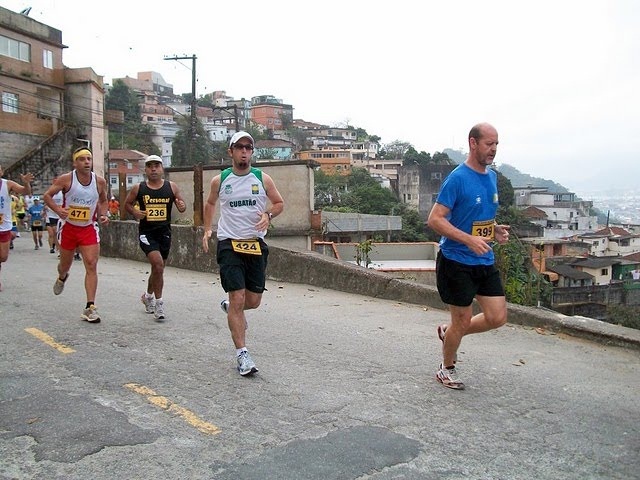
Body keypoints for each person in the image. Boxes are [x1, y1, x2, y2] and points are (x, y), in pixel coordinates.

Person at [427, 122, 511, 390]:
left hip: (483, 259)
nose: (493, 149)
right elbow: (435, 220)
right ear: (473, 143)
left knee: (497, 317)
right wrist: (468, 239)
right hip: (456, 261)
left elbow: (479, 215)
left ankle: (449, 332)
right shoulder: (458, 178)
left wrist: (493, 230)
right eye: (489, 144)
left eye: (496, 144)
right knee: (461, 320)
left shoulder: (492, 177)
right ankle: (446, 368)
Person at [202, 131, 284, 376]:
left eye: (249, 147)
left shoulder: (262, 178)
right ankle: (242, 355)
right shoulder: (220, 180)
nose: (244, 151)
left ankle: (231, 308)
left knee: (253, 302)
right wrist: (207, 229)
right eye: (240, 147)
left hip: (255, 244)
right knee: (238, 298)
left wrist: (268, 215)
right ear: (231, 151)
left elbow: (279, 203)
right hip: (229, 244)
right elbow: (210, 204)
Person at [43, 147, 110, 323]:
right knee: (64, 265)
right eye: (82, 159)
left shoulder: (99, 181)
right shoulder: (66, 179)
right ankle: (63, 276)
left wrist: (103, 214)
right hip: (69, 228)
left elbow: (103, 201)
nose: (87, 162)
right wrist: (58, 210)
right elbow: (47, 195)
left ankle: (90, 307)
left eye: (89, 159)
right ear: (75, 163)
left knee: (91, 264)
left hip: (88, 228)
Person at [124, 155, 186, 321]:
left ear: (162, 168)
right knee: (157, 265)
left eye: (156, 165)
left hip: (164, 233)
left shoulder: (171, 187)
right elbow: (127, 204)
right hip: (147, 233)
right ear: (145, 170)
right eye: (150, 166)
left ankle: (147, 296)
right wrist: (135, 212)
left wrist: (181, 205)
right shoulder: (139, 188)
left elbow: (182, 204)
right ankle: (159, 303)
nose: (153, 169)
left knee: (158, 269)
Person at [0, 165, 34, 291]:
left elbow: (25, 192)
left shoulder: (7, 184)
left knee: (3, 257)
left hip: (4, 226)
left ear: (2, 171)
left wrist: (26, 183)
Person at [45, 183, 64, 254]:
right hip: (51, 215)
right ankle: (57, 248)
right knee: (54, 232)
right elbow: (46, 202)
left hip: (59, 215)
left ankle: (58, 247)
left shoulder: (62, 194)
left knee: (58, 232)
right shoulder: (49, 193)